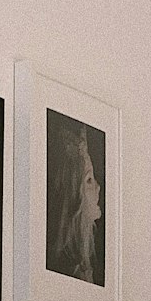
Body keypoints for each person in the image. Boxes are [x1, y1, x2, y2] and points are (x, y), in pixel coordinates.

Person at [46, 115, 103, 285]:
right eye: (89, 180)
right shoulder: (68, 270)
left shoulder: (84, 262)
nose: (98, 187)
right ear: (72, 196)